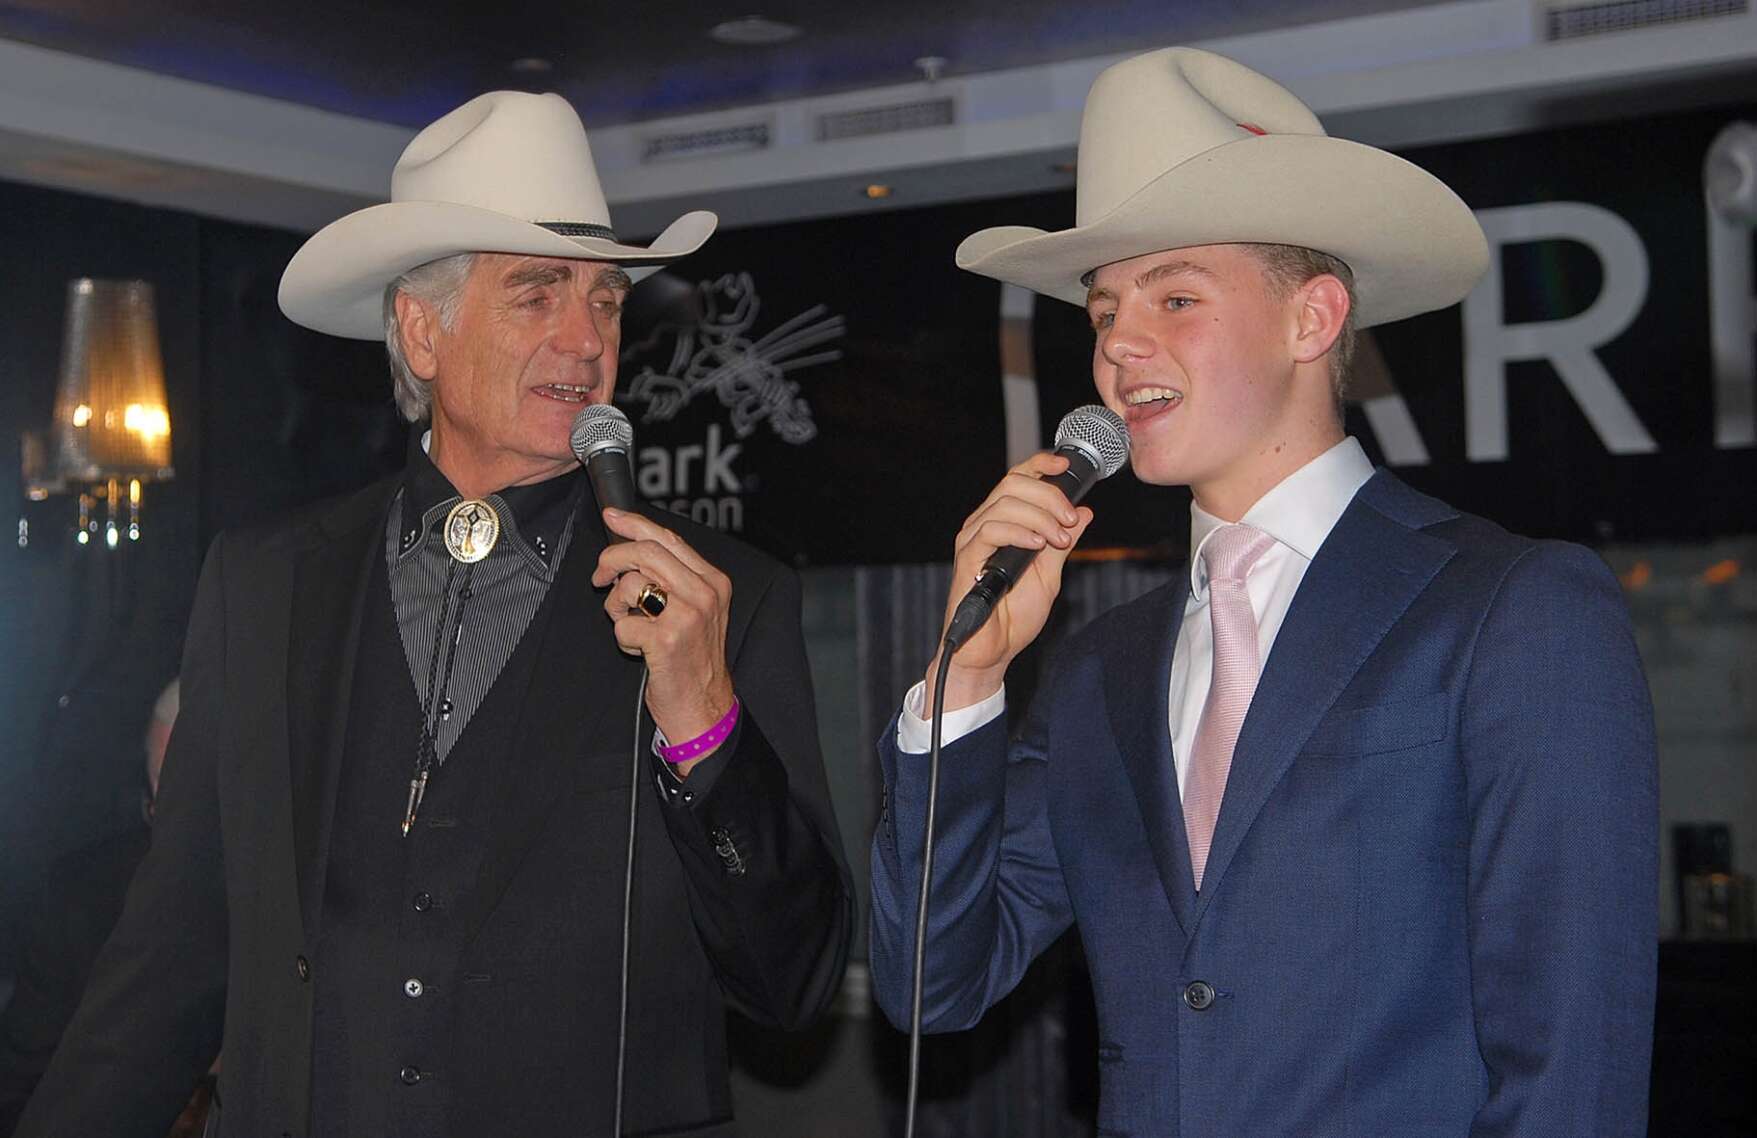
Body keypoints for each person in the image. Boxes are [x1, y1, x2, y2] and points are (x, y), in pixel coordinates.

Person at [17, 91, 852, 1138]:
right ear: (422, 331)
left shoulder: (722, 595)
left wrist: (705, 725)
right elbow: (170, 956)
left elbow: (792, 983)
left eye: (603, 302)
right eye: (536, 295)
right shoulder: (266, 582)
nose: (585, 340)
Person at [869, 47, 1657, 1136]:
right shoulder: (1101, 669)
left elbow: (1570, 1062)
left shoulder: (1511, 605)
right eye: (1102, 311)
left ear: (1311, 319)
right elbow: (929, 985)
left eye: (1174, 296)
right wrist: (968, 681)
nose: (1118, 344)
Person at [0, 682, 217, 1137]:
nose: (175, 831)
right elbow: (20, 1084)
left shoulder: (301, 910)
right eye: (160, 806)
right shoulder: (85, 903)